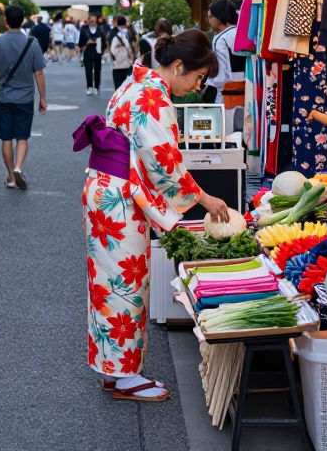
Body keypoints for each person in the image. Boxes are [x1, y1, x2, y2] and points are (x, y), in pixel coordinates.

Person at [82, 30, 230, 400]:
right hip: (120, 197)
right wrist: (203, 197)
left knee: (108, 284)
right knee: (125, 287)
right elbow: (163, 161)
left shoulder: (134, 83)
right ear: (178, 66)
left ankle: (115, 370)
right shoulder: (153, 96)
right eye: (197, 77)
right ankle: (126, 376)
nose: (197, 87)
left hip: (105, 189)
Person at [0, 5, 47, 190]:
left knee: (6, 138)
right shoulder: (32, 43)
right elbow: (39, 73)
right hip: (25, 97)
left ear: (5, 20)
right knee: (22, 137)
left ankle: (11, 176)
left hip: (4, 97)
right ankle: (18, 167)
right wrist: (43, 98)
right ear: (23, 20)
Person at [203, 0, 242, 106]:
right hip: (247, 87)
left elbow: (222, 72)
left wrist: (211, 84)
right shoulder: (242, 33)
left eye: (210, 17)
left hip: (226, 92)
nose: (209, 20)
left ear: (218, 18)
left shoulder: (220, 39)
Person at [79, 15, 105, 96]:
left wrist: (96, 42)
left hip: (98, 51)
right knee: (88, 70)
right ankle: (89, 87)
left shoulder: (100, 30)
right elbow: (81, 41)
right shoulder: (84, 30)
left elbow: (103, 40)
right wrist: (86, 43)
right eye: (91, 20)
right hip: (88, 51)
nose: (92, 22)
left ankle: (96, 87)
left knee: (97, 71)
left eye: (94, 20)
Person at [108, 15, 135, 89]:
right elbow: (133, 46)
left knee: (119, 90)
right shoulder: (129, 33)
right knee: (128, 90)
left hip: (118, 66)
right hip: (129, 64)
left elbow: (112, 50)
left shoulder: (114, 33)